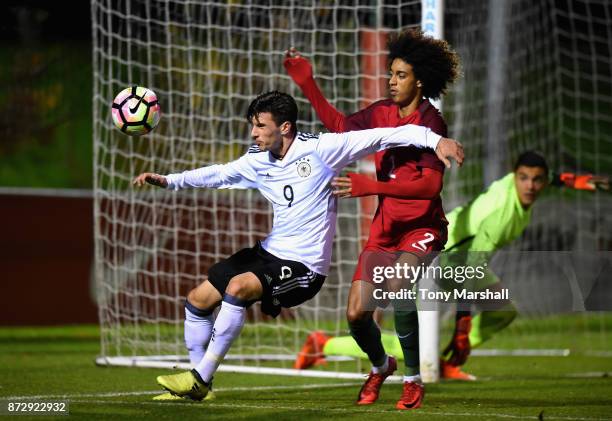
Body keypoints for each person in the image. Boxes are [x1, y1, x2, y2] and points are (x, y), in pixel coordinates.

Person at [133, 90, 464, 401]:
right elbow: (220, 174)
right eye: (253, 125)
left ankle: (200, 379)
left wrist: (436, 141)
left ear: (285, 127)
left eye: (260, 126)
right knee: (197, 299)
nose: (254, 133)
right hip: (269, 252)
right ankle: (199, 379)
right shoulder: (259, 158)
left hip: (305, 267)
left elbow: (384, 135)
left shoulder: (322, 149)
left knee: (237, 287)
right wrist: (169, 181)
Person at [293, 152, 609, 381]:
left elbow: (550, 177)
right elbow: (472, 265)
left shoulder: (519, 187)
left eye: (537, 180)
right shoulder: (502, 215)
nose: (530, 185)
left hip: (462, 257)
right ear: (515, 177)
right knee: (415, 346)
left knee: (503, 310)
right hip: (439, 258)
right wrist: (463, 319)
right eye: (524, 178)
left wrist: (574, 181)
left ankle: (445, 360)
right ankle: (323, 343)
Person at [284, 28, 459, 409]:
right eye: (390, 73)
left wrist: (371, 186)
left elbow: (429, 188)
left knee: (398, 287)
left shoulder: (433, 124)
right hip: (385, 231)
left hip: (422, 228)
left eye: (400, 75)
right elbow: (341, 128)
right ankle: (381, 366)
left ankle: (413, 381)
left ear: (420, 80)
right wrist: (308, 83)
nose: (391, 81)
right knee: (356, 314)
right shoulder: (380, 113)